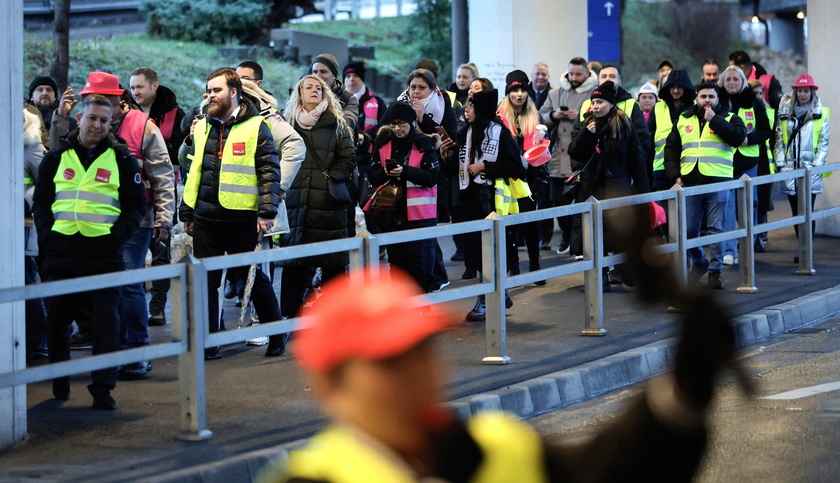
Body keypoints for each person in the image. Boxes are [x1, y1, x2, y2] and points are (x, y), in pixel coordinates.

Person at [254, 263, 732, 483]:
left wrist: (686, 388)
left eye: (424, 350)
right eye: (390, 361)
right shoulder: (312, 478)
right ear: (329, 384)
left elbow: (610, 472)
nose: (419, 374)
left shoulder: (494, 444)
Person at [52, 72, 175, 378]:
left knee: (129, 282)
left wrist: (164, 218)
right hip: (101, 220)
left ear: (118, 99)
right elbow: (57, 156)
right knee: (110, 286)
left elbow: (163, 174)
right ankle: (115, 351)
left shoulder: (143, 126)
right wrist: (59, 119)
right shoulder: (90, 125)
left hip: (139, 218)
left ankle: (137, 351)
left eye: (103, 99)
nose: (96, 106)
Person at [32, 94, 146, 409]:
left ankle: (102, 389)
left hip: (103, 253)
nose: (96, 125)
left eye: (103, 120)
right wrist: (46, 235)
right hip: (61, 250)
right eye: (91, 118)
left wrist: (117, 237)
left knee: (105, 324)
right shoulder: (55, 157)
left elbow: (136, 205)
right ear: (79, 118)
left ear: (110, 123)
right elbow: (41, 201)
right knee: (56, 322)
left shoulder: (121, 158)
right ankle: (60, 383)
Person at [180, 67, 286, 359]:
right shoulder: (201, 125)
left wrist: (266, 212)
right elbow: (194, 171)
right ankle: (207, 341)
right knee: (206, 282)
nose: (210, 95)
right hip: (205, 218)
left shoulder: (256, 126)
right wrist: (187, 212)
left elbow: (269, 172)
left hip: (242, 217)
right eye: (209, 90)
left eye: (217, 90)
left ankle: (277, 332)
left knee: (253, 279)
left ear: (234, 92)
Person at [444, 89, 525, 321]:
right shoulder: (466, 131)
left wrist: (485, 167)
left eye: (470, 107)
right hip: (466, 199)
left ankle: (484, 300)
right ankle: (502, 292)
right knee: (474, 251)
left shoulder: (499, 132)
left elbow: (517, 168)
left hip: (489, 201)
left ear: (479, 111)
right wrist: (444, 154)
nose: (466, 111)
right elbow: (455, 168)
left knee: (487, 252)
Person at [280, 75, 356, 320]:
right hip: (295, 202)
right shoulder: (287, 123)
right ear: (299, 94)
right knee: (294, 264)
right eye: (308, 87)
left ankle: (339, 318)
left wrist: (330, 178)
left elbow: (348, 157)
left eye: (318, 88)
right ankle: (288, 322)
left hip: (327, 203)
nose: (314, 91)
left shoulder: (336, 122)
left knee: (332, 262)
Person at [568, 81, 651, 290]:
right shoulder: (587, 123)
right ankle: (601, 276)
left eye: (599, 102)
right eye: (593, 102)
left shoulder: (624, 125)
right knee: (595, 234)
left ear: (610, 104)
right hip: (592, 189)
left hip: (617, 189)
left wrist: (644, 194)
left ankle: (623, 268)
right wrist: (588, 134)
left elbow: (637, 160)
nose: (595, 106)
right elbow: (574, 152)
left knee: (617, 234)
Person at [664, 82, 747, 289]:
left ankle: (715, 271)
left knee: (715, 229)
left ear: (718, 99)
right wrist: (675, 175)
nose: (707, 100)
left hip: (718, 181)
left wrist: (715, 121)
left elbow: (738, 138)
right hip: (691, 182)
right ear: (696, 98)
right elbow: (671, 148)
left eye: (711, 96)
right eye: (703, 97)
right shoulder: (684, 119)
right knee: (689, 230)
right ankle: (700, 261)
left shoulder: (729, 118)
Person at [129, 67, 187, 326]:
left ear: (154, 86)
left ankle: (157, 307)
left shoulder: (176, 115)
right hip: (135, 194)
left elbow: (178, 155)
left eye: (139, 87)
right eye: (132, 88)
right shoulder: (127, 113)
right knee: (133, 256)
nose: (135, 92)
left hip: (163, 189)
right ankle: (135, 306)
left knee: (160, 249)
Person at [367, 101, 440, 290]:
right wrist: (386, 172)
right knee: (396, 264)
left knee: (415, 263)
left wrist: (404, 171)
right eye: (393, 124)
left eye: (401, 124)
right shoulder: (382, 143)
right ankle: (402, 310)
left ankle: (420, 307)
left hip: (417, 215)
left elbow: (432, 177)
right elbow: (372, 177)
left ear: (412, 122)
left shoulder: (424, 143)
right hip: (390, 213)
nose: (397, 128)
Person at [539, 57, 597, 255]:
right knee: (557, 200)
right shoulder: (555, 93)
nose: (574, 77)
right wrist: (555, 116)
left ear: (587, 74)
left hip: (581, 158)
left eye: (578, 74)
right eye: (571, 74)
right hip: (556, 157)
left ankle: (578, 240)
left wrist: (578, 116)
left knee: (582, 202)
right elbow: (541, 117)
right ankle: (566, 234)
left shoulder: (593, 95)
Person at [718, 65, 772, 266]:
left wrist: (748, 140)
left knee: (748, 208)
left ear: (743, 81)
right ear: (723, 82)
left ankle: (748, 246)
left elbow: (766, 130)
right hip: (724, 163)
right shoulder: (718, 101)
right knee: (727, 208)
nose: (732, 82)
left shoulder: (755, 103)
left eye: (736, 79)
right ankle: (729, 251)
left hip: (748, 163)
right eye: (728, 79)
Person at [497, 70, 546, 284]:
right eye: (515, 90)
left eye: (522, 90)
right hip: (506, 177)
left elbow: (542, 146)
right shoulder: (498, 116)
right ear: (508, 93)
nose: (519, 94)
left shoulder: (535, 116)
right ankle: (513, 266)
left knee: (530, 223)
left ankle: (535, 267)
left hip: (529, 177)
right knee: (508, 223)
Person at [775, 74, 830, 247]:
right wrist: (781, 164)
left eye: (806, 91)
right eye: (800, 90)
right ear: (795, 92)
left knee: (807, 211)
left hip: (810, 169)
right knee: (796, 213)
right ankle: (803, 248)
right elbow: (778, 139)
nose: (803, 94)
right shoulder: (784, 111)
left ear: (812, 92)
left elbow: (823, 142)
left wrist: (815, 167)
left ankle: (808, 250)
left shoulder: (821, 113)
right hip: (790, 169)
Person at [579, 65, 651, 161]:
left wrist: (635, 163)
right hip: (591, 167)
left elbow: (642, 137)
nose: (608, 79)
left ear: (619, 81)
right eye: (604, 76)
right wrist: (578, 166)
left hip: (621, 168)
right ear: (598, 81)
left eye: (612, 76)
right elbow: (576, 135)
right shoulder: (587, 104)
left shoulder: (631, 104)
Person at [343, 61, 388, 211]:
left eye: (355, 75)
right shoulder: (337, 103)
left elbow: (384, 127)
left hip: (370, 162)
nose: (351, 79)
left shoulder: (377, 102)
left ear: (362, 78)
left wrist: (366, 137)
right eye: (348, 76)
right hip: (345, 162)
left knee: (369, 207)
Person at [23, 108, 48, 364]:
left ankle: (38, 344)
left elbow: (47, 185)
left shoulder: (31, 145)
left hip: (22, 224)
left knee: (27, 280)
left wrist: (24, 201)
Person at [647, 70, 696, 191]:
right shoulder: (658, 108)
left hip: (688, 167)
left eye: (679, 87)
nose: (675, 91)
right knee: (662, 209)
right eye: (672, 87)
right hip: (661, 168)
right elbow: (649, 139)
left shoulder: (695, 107)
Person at [749, 78, 776, 253]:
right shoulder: (746, 112)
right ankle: (751, 235)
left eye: (761, 93)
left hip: (767, 162)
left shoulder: (771, 112)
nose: (758, 96)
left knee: (763, 201)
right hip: (751, 160)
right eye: (755, 93)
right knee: (751, 200)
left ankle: (760, 236)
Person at [310, 53, 359, 130]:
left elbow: (347, 124)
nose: (318, 76)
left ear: (334, 76)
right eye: (315, 72)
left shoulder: (347, 99)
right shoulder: (302, 95)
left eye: (323, 71)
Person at [26, 75, 77, 147]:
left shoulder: (71, 123)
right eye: (40, 90)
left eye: (49, 90)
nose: (45, 93)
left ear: (55, 97)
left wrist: (63, 117)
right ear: (32, 97)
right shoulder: (23, 120)